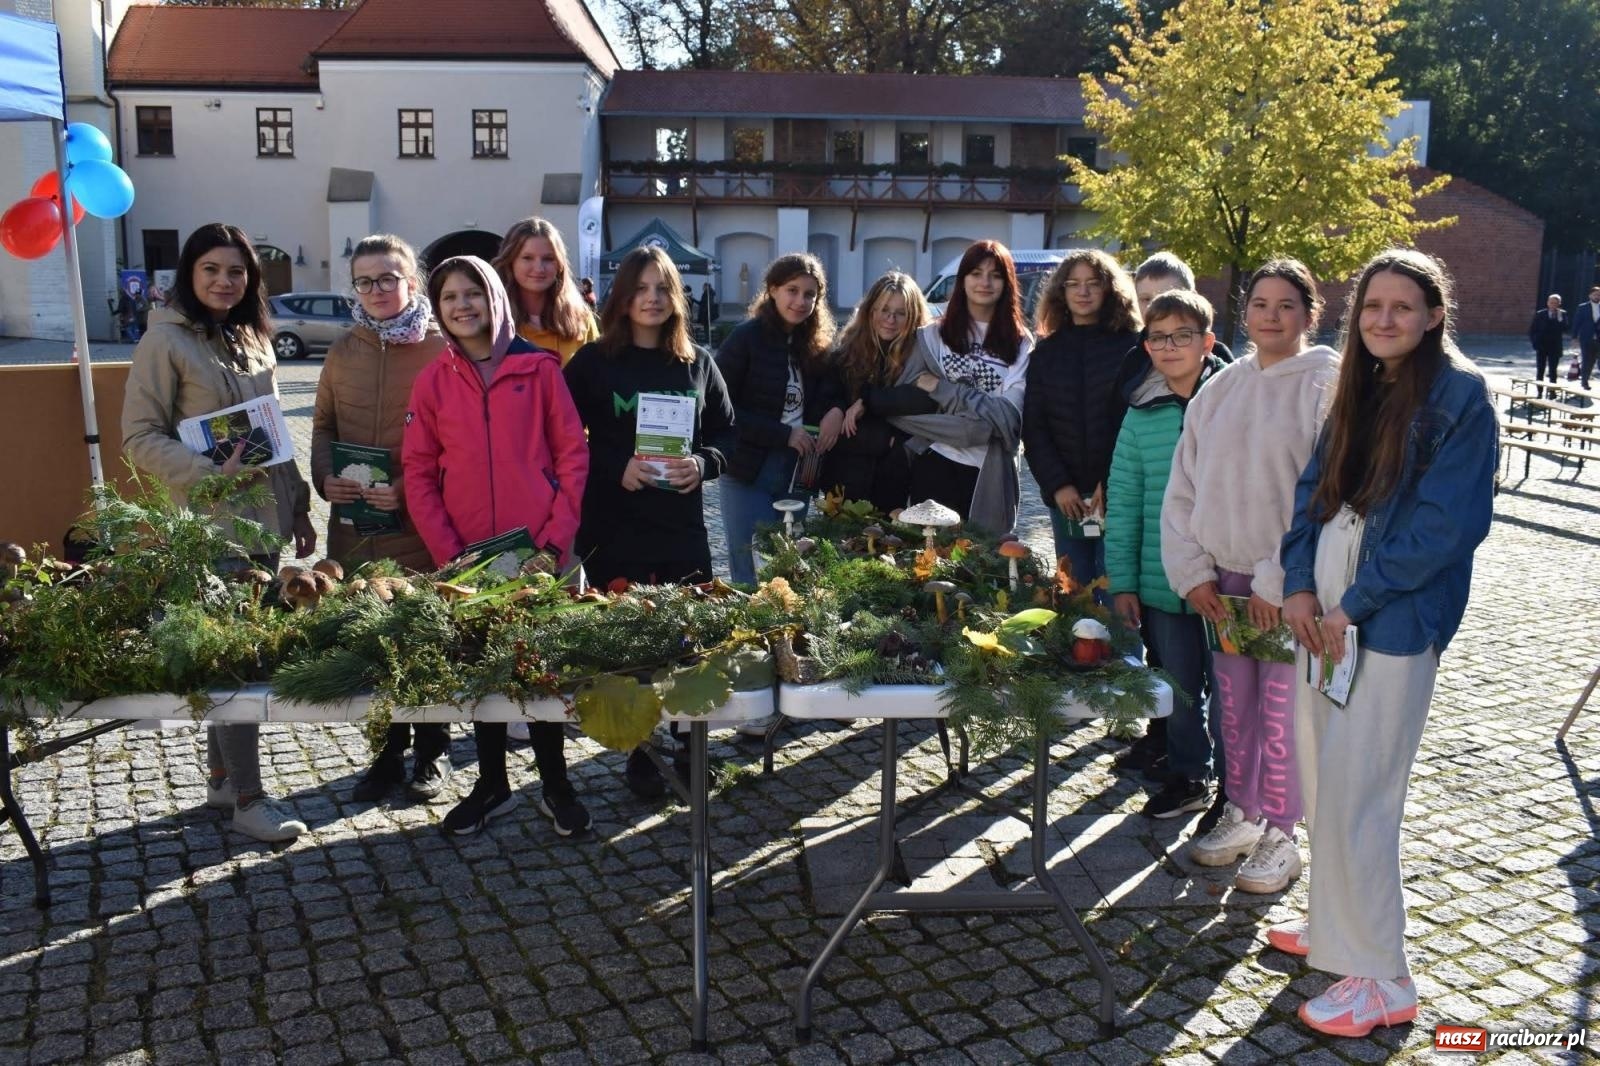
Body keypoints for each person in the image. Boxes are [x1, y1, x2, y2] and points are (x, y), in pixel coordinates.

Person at [1278, 249, 1495, 1037]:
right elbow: (1311, 493)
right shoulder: (1359, 388)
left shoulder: (1462, 396)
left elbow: (1448, 526)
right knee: (1325, 778)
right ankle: (1339, 928)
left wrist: (1353, 605)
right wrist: (1300, 585)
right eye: (1372, 308)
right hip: (1325, 605)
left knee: (1364, 792)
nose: (1383, 320)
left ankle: (1381, 975)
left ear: (1434, 315)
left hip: (1392, 619)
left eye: (1402, 308)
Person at [122, 222, 316, 843]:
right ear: (190, 273)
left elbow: (274, 433)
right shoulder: (166, 342)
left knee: (232, 654)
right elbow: (138, 437)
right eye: (211, 269)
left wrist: (300, 506)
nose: (224, 281)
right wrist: (208, 471)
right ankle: (250, 799)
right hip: (212, 528)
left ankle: (220, 779)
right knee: (242, 665)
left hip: (267, 526)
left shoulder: (254, 339)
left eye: (236, 271)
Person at [1161, 258, 1339, 894]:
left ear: (1308, 314)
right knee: (1233, 705)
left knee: (1284, 712)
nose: (1270, 315)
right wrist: (1194, 572)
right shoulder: (1221, 388)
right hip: (1223, 586)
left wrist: (1279, 578)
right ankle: (1242, 809)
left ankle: (1283, 832)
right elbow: (1184, 484)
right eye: (1260, 303)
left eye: (1286, 304)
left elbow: (1325, 492)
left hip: (1290, 588)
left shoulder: (1326, 384)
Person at [402, 255, 591, 837]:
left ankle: (555, 782)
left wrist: (554, 544)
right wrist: (448, 554)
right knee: (484, 671)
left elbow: (572, 457)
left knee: (541, 670)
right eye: (449, 297)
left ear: (494, 299)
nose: (462, 305)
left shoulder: (539, 370)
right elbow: (418, 469)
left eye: (471, 293)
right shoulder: (434, 378)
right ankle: (491, 785)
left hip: (536, 554)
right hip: (468, 559)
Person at [564, 246, 737, 797]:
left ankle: (691, 745)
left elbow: (727, 435)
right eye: (640, 289)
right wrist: (616, 467)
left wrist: (703, 464)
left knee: (691, 642)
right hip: (614, 525)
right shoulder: (593, 363)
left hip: (679, 526)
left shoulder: (697, 363)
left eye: (662, 288)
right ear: (621, 297)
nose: (652, 299)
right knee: (629, 646)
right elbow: (562, 441)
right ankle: (642, 749)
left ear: (676, 297)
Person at [311, 233, 451, 804]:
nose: (376, 290)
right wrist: (325, 479)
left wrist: (411, 490)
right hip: (353, 528)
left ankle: (433, 752)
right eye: (364, 281)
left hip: (417, 524)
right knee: (371, 640)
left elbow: (458, 442)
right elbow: (322, 426)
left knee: (422, 636)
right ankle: (387, 753)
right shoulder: (345, 348)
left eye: (388, 278)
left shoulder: (443, 349)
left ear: (412, 282)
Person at [1106, 289, 1227, 820]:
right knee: (1176, 687)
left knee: (1229, 694)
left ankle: (1236, 789)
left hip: (1226, 582)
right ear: (1146, 346)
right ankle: (1189, 775)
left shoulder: (1234, 401)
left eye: (1183, 335)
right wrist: (1124, 582)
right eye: (1159, 337)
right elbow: (1126, 500)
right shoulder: (1140, 412)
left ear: (1208, 341)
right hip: (1162, 584)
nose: (1170, 346)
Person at [715, 253, 842, 586]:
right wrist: (782, 434)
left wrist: (837, 410)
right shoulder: (746, 338)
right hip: (747, 466)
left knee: (787, 558)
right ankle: (744, 631)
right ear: (772, 290)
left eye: (810, 294)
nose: (800, 301)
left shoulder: (818, 345)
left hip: (799, 468)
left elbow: (834, 390)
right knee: (746, 559)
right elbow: (718, 407)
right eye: (792, 290)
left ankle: (783, 629)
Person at [888, 241, 1031, 534]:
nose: (985, 282)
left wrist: (945, 391)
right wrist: (973, 427)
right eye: (976, 273)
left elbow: (1008, 419)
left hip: (988, 471)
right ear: (962, 279)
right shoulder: (931, 337)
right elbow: (903, 409)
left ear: (1007, 283)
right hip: (934, 461)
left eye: (995, 275)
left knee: (982, 566)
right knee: (927, 563)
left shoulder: (1021, 343)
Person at [1024, 249, 1142, 586]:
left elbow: (1132, 425)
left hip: (1119, 494)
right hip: (1067, 500)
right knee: (1073, 594)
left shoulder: (1132, 348)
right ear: (1061, 292)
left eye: (1093, 283)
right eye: (1073, 284)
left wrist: (1113, 481)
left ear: (1110, 290)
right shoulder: (1046, 353)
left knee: (1119, 594)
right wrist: (1059, 486)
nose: (1083, 291)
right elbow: (1034, 428)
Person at [826, 271, 931, 513]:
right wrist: (884, 438)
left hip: (894, 480)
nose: (890, 319)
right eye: (884, 310)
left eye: (900, 313)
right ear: (870, 310)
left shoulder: (922, 357)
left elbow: (926, 401)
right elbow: (832, 414)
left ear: (913, 316)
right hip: (845, 478)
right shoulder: (845, 354)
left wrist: (868, 402)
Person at [491, 217, 598, 366]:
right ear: (510, 262)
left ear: (559, 265)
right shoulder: (492, 321)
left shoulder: (581, 319)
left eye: (548, 259)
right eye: (527, 258)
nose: (539, 268)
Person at [1528, 294, 1567, 398]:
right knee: (1540, 369)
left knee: (1553, 370)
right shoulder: (1541, 314)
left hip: (1555, 346)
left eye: (1555, 303)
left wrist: (1560, 319)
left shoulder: (1562, 314)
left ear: (1559, 304)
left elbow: (1566, 329)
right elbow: (1533, 330)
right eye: (1551, 302)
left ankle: (1552, 391)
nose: (1553, 305)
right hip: (1541, 345)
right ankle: (1539, 391)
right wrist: (1535, 343)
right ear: (1547, 303)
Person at [1574, 285, 1600, 392]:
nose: (1597, 296)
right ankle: (1584, 381)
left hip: (1599, 338)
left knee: (1597, 361)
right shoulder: (1583, 307)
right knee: (1587, 360)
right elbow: (1577, 322)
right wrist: (1574, 337)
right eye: (1595, 294)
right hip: (1587, 338)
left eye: (1599, 295)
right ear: (1590, 295)